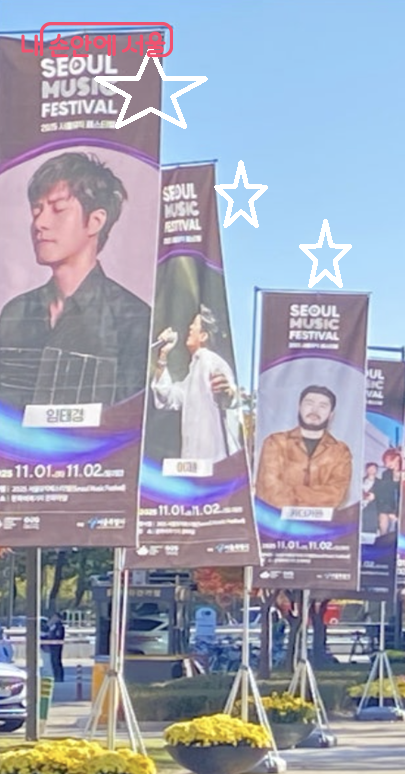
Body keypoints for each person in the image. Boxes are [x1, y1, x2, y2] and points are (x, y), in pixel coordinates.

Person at [0, 152, 150, 409]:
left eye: (58, 209)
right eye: (37, 209)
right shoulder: (15, 312)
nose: (40, 223)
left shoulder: (133, 318)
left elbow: (130, 422)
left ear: (95, 221)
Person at [151, 304, 240, 460]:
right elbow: (169, 397)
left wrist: (228, 392)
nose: (190, 328)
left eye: (194, 324)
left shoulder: (210, 360)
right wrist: (163, 353)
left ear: (203, 336)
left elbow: (230, 394)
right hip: (195, 458)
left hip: (213, 458)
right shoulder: (195, 368)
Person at [255, 385, 353, 508]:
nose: (314, 410)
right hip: (276, 524)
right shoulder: (275, 442)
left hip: (321, 526)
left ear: (331, 414)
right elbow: (269, 490)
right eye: (309, 403)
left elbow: (337, 495)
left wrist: (292, 493)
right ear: (299, 407)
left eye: (322, 406)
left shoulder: (340, 451)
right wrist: (317, 496)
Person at [373, 448, 401, 535]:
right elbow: (386, 493)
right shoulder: (386, 474)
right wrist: (390, 511)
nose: (387, 464)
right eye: (385, 462)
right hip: (390, 505)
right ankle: (382, 537)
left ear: (397, 458)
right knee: (383, 517)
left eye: (389, 461)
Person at [45, 613, 66, 683]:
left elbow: (57, 635)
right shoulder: (53, 625)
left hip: (56, 646)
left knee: (56, 661)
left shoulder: (59, 626)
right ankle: (57, 676)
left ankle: (59, 677)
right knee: (54, 662)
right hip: (53, 646)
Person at [361, 462, 379, 534]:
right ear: (366, 470)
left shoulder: (380, 482)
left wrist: (375, 497)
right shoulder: (360, 481)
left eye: (374, 469)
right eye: (370, 468)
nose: (372, 470)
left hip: (373, 506)